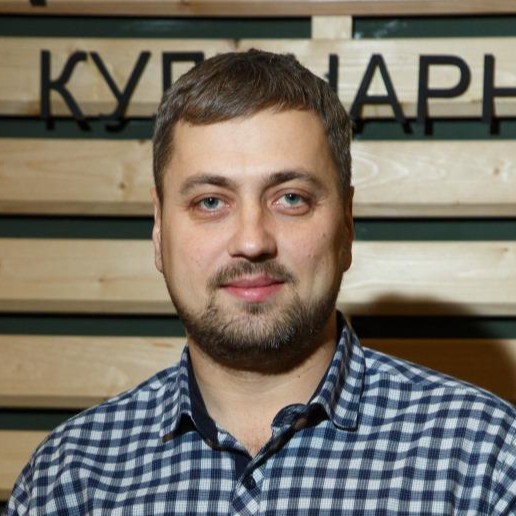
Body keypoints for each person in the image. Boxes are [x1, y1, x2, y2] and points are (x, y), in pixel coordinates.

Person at [5, 49, 515, 515]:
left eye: (291, 198)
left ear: (347, 224)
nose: (252, 241)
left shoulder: (486, 464)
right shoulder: (67, 480)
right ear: (159, 230)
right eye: (210, 202)